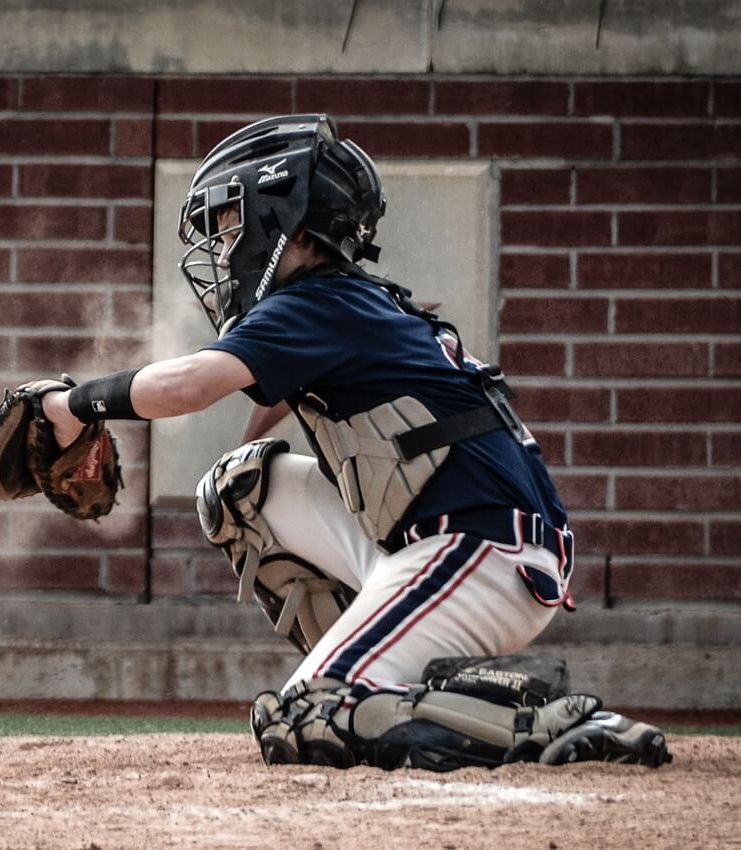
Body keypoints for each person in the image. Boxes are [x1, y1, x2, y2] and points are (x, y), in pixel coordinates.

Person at [41, 114, 669, 771]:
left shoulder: (317, 303)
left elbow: (191, 386)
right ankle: (369, 678)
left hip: (480, 553)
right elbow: (277, 393)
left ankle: (535, 719)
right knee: (237, 491)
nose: (224, 247)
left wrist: (74, 404)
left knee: (307, 715)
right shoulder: (343, 302)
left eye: (232, 224)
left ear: (286, 219)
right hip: (459, 541)